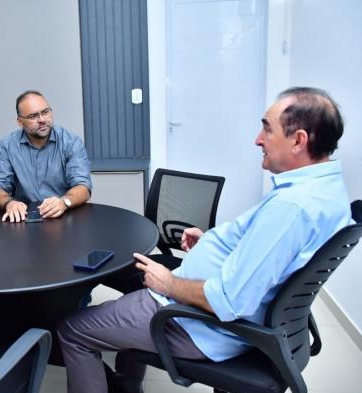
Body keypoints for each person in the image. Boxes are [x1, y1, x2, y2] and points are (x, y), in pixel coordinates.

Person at [57, 87, 353, 393]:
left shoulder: (292, 209)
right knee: (129, 292)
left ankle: (124, 381)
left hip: (198, 325)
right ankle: (127, 385)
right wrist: (215, 241)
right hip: (225, 313)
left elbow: (229, 301)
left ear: (298, 140)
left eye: (267, 127)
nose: (258, 139)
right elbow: (273, 252)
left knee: (73, 329)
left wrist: (168, 284)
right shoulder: (326, 189)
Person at [0, 90, 92, 222]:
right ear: (20, 122)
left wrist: (64, 202)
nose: (42, 120)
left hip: (63, 216)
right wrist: (9, 203)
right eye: (33, 116)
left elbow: (83, 186)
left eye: (45, 112)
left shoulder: (71, 142)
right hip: (23, 219)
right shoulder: (7, 146)